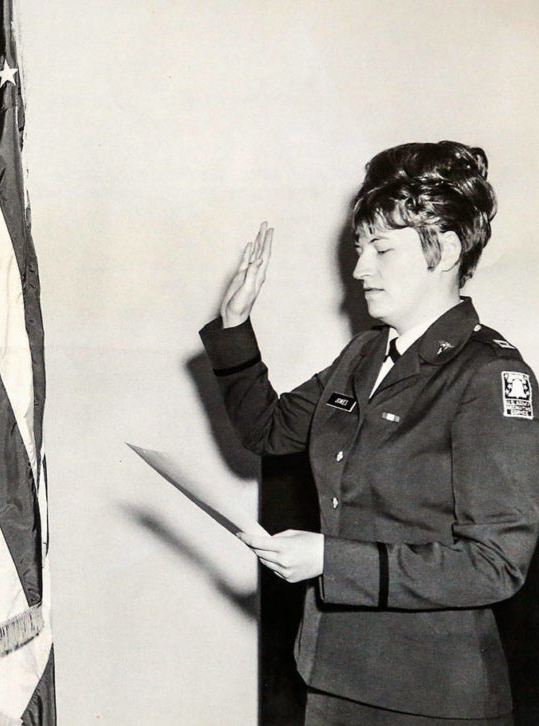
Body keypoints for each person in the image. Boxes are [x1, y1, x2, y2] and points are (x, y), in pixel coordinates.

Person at [199, 141, 539, 725]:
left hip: (433, 697)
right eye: (360, 248)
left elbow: (496, 562)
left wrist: (332, 560)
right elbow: (268, 430)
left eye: (381, 248)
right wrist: (235, 327)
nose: (359, 270)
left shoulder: (490, 375)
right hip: (333, 674)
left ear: (447, 249)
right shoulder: (362, 355)